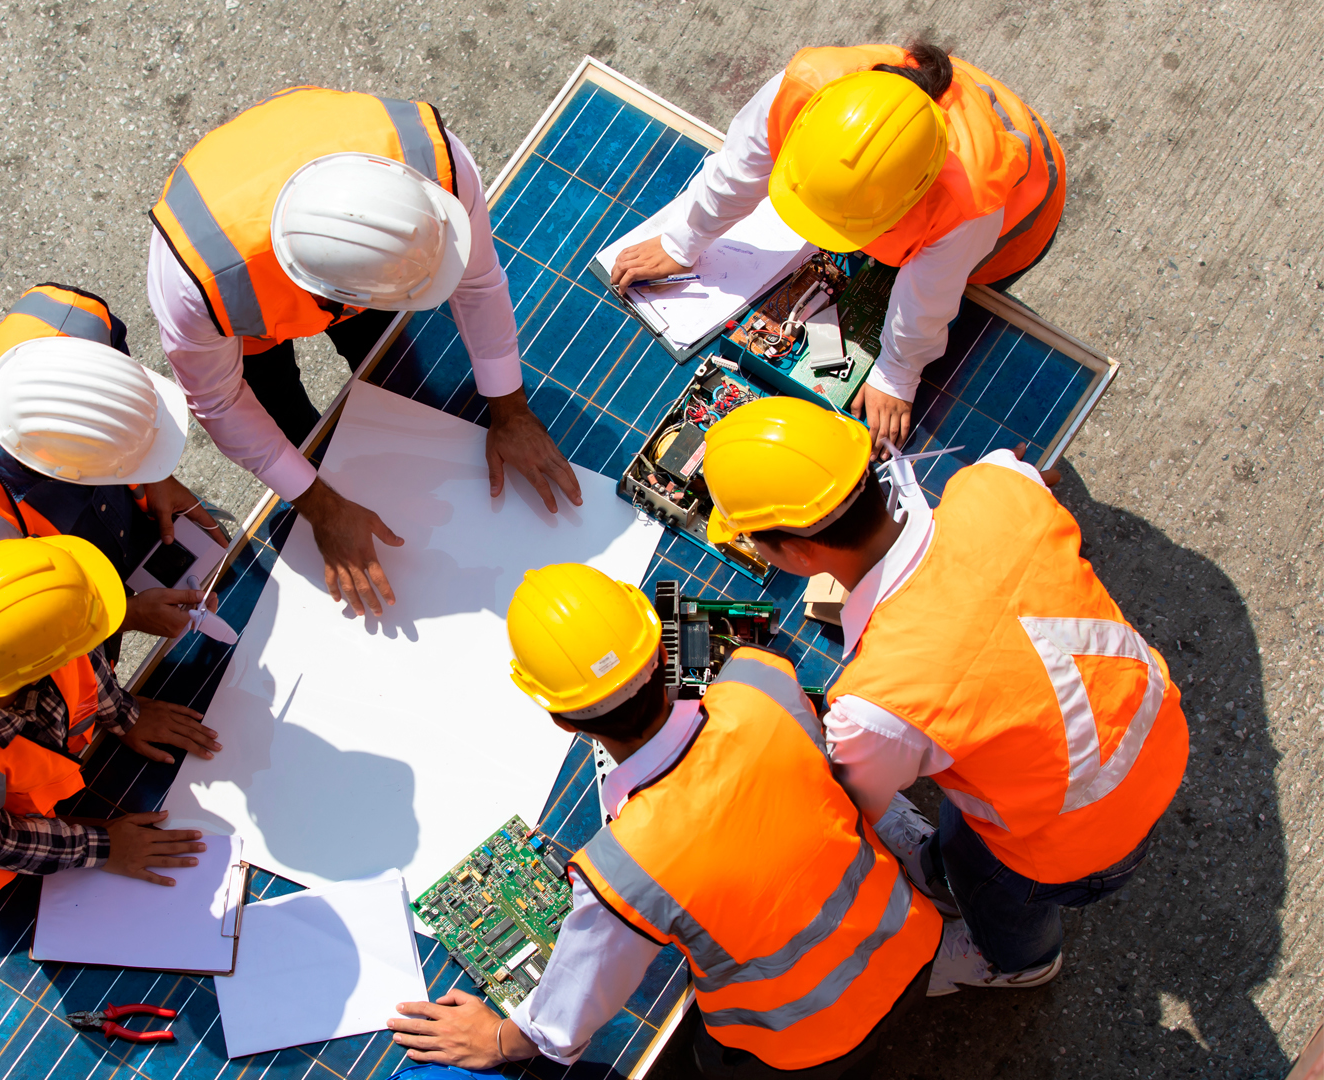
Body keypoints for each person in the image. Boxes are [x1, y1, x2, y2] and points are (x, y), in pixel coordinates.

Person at [696, 396, 1187, 992]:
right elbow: (1027, 473)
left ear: (796, 553)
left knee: (996, 895)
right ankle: (942, 865)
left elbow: (850, 811)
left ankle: (1018, 964)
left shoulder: (876, 701)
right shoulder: (994, 484)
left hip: (1073, 848)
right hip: (1155, 738)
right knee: (964, 815)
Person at [387, 564, 942, 1079]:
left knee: (710, 1061)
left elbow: (565, 1019)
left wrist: (502, 1038)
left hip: (806, 1041)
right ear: (658, 645)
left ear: (559, 718)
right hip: (916, 939)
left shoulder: (624, 866)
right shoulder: (759, 681)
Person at [146, 87, 580, 617]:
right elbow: (220, 402)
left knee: (386, 361)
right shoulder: (199, 284)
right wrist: (320, 505)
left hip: (344, 261)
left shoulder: (435, 168)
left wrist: (511, 410)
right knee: (287, 417)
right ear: (332, 295)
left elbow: (479, 284)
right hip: (242, 296)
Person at [610, 42, 1067, 453]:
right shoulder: (806, 89)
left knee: (973, 297)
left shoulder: (967, 198)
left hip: (1019, 216)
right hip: (932, 143)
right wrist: (682, 238)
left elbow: (931, 297)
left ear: (913, 194)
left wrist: (897, 373)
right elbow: (738, 168)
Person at [0, 535, 221, 933]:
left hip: (15, 828)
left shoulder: (10, 635)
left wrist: (123, 714)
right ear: (34, 671)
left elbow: (82, 656)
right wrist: (105, 847)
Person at [0, 282, 227, 640]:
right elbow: (15, 641)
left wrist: (153, 472)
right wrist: (123, 616)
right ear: (69, 475)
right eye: (123, 464)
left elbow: (120, 369)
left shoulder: (72, 316)